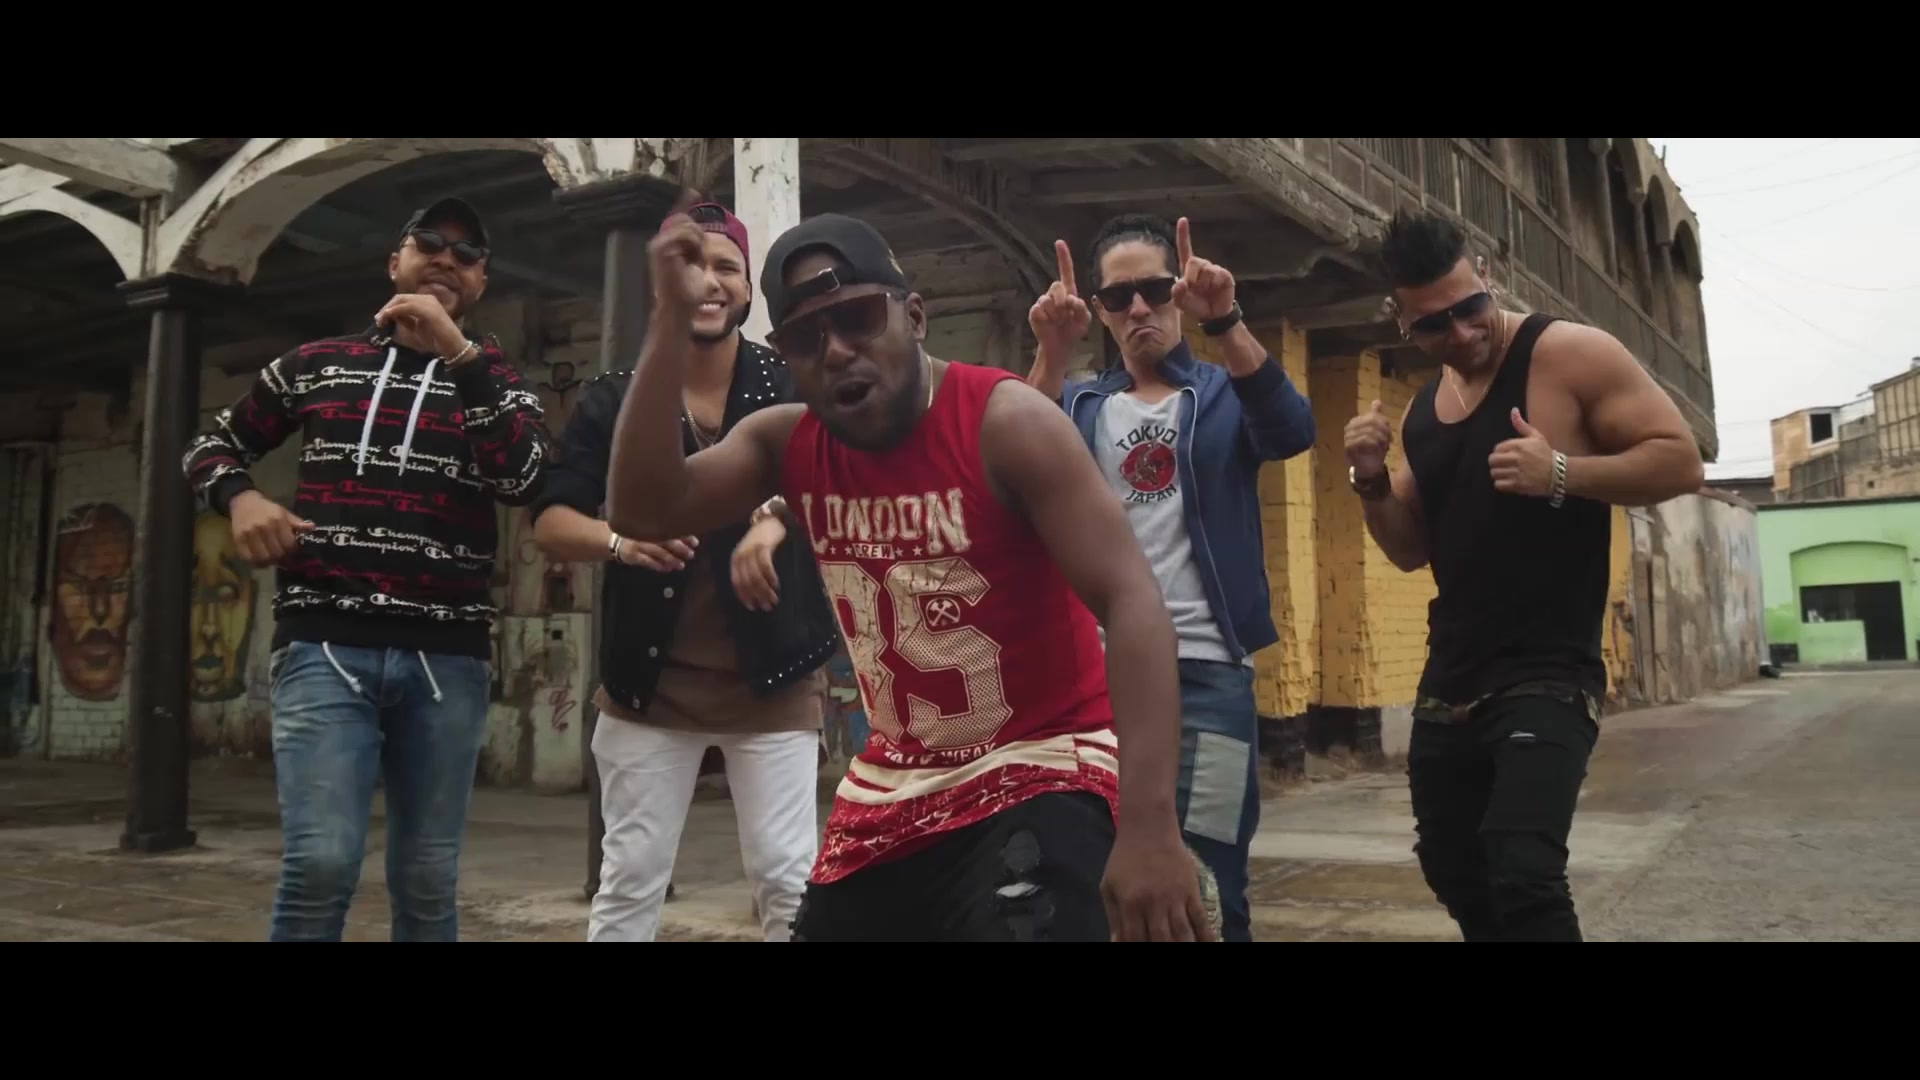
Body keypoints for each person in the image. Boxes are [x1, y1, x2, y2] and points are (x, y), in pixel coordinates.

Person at [606, 205, 1213, 942]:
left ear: (915, 317)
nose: (836, 351)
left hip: (1041, 762)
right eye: (805, 338)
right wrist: (668, 323)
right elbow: (643, 509)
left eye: (858, 318)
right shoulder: (785, 442)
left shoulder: (1005, 422)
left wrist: (1150, 825)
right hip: (893, 786)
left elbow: (1130, 599)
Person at [181, 196, 550, 941]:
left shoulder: (503, 386)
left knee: (427, 876)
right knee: (320, 863)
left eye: (467, 254)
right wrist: (241, 498)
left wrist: (461, 357)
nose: (446, 258)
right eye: (428, 242)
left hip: (448, 658)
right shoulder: (318, 363)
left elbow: (522, 478)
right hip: (323, 645)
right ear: (394, 263)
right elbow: (209, 446)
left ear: (481, 283)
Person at [1345, 209, 1705, 942]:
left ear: (1488, 276)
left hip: (1549, 670)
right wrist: (1371, 479)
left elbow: (1681, 461)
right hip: (1453, 672)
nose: (1461, 333)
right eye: (1433, 324)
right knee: (1452, 864)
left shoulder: (1570, 354)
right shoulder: (1423, 412)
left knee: (1524, 870)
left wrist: (1562, 472)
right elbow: (1408, 550)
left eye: (1470, 307)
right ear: (1401, 321)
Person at [529, 202, 840, 943]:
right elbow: (551, 520)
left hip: (775, 677)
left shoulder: (790, 382)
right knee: (629, 882)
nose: (709, 282)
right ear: (663, 285)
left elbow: (839, 476)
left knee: (787, 880)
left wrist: (773, 521)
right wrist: (620, 542)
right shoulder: (616, 396)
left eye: (726, 267)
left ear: (748, 289)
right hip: (649, 685)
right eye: (692, 265)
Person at [1025, 213, 1315, 942]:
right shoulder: (1080, 404)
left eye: (1154, 290)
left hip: (1209, 676)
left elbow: (1291, 430)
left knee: (1211, 882)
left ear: (1177, 294)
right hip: (1096, 686)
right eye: (1117, 297)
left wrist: (1226, 320)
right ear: (1099, 310)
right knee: (1092, 883)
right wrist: (1051, 354)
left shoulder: (1221, 393)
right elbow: (1011, 465)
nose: (1137, 309)